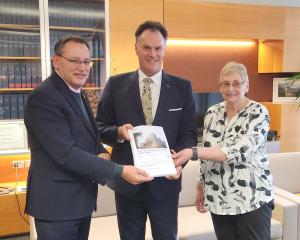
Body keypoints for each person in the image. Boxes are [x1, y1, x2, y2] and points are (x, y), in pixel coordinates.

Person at [24, 35, 153, 240]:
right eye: (75, 61)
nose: (82, 67)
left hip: (79, 201)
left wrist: (103, 149)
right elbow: (66, 154)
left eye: (86, 61)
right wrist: (119, 170)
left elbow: (88, 135)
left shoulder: (78, 92)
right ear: (57, 61)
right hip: (57, 205)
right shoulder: (44, 97)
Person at [96, 21, 197, 240]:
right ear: (136, 48)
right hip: (127, 183)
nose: (153, 54)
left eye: (158, 48)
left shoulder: (183, 87)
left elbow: (188, 135)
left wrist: (178, 163)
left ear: (164, 49)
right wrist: (119, 133)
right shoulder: (115, 84)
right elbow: (99, 128)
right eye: (146, 47)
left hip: (166, 184)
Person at [172, 61, 274, 240]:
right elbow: (208, 151)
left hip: (251, 198)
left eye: (236, 83)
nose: (231, 88)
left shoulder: (258, 112)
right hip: (219, 198)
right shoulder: (212, 112)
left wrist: (193, 152)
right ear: (220, 87)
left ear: (247, 86)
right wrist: (200, 187)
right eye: (225, 84)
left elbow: (240, 151)